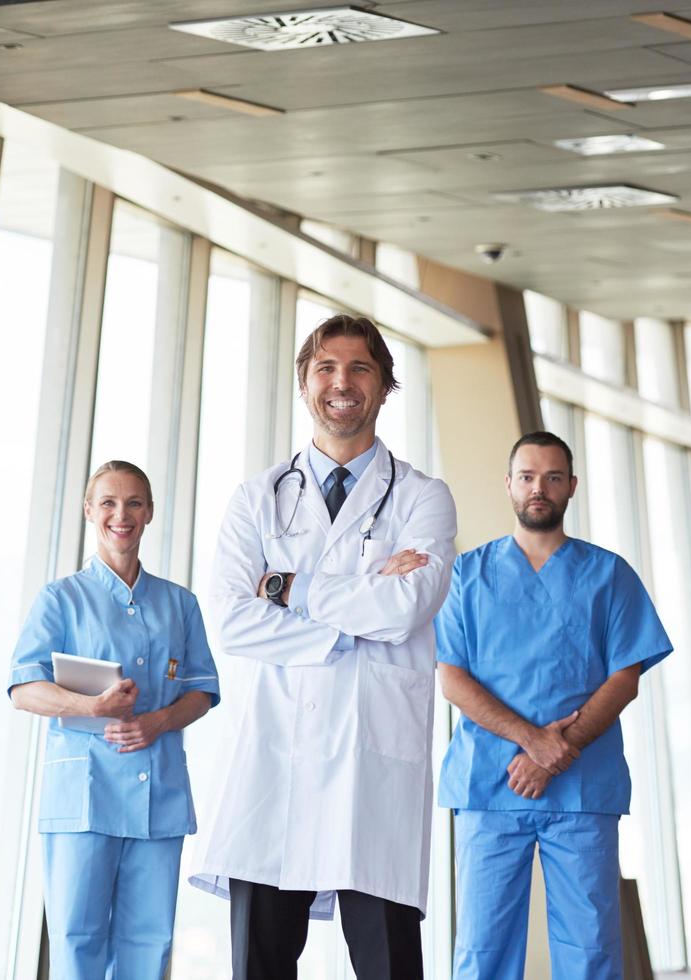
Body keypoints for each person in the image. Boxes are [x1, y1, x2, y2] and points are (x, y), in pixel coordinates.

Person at [190, 314, 457, 980]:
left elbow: (405, 609)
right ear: (305, 382)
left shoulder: (423, 498)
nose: (342, 383)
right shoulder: (256, 499)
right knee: (260, 965)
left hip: (373, 759)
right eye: (326, 369)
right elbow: (232, 621)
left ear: (385, 386)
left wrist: (288, 587)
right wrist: (355, 610)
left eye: (360, 368)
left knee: (387, 963)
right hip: (273, 758)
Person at [436, 431, 672, 980]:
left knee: (590, 947)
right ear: (509, 485)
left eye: (552, 477)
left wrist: (555, 749)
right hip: (489, 787)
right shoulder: (467, 575)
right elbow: (452, 677)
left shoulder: (609, 575)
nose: (538, 488)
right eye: (527, 476)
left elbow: (626, 676)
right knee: (482, 948)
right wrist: (534, 741)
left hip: (582, 787)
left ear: (571, 487)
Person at [8, 460, 220, 980]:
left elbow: (204, 690)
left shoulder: (180, 603)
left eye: (133, 503)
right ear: (88, 511)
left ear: (149, 513)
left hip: (159, 798)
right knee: (77, 941)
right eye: (107, 502)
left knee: (150, 944)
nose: (120, 514)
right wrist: (92, 707)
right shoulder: (61, 599)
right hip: (85, 794)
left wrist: (159, 722)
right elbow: (22, 689)